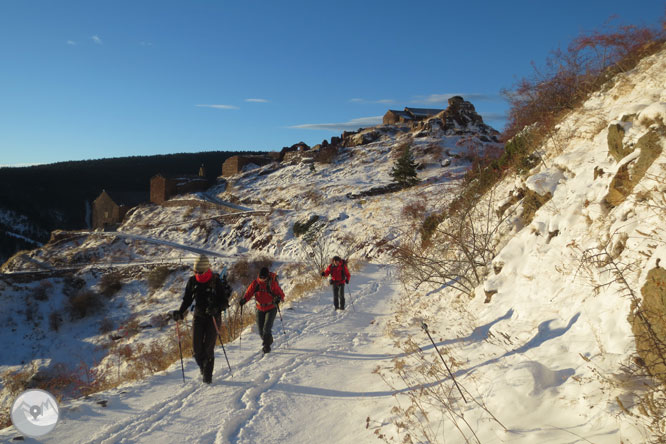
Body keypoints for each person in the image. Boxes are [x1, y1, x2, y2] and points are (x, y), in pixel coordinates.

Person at [171, 254, 231, 384]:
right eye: (195, 271)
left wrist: (216, 308)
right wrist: (180, 312)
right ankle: (204, 369)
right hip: (198, 316)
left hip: (213, 318)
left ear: (206, 269)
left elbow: (224, 302)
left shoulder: (216, 281)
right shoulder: (192, 281)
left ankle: (207, 378)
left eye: (200, 272)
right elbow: (187, 299)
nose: (197, 274)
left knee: (208, 349)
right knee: (197, 350)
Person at [239, 267, 285, 354]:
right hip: (259, 308)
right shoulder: (255, 283)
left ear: (267, 277)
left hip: (271, 308)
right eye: (261, 277)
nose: (262, 279)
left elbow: (281, 294)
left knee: (266, 328)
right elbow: (249, 293)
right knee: (260, 331)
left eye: (264, 278)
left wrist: (278, 298)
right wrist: (244, 300)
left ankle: (266, 346)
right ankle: (269, 340)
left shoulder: (272, 283)